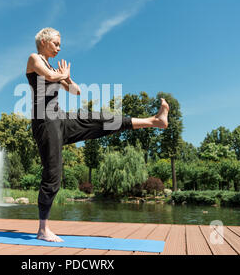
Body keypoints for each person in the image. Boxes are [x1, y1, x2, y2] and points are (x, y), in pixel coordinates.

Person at [26, 27, 170, 242]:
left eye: (59, 43)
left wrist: (68, 78)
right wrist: (61, 75)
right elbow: (48, 75)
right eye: (56, 43)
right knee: (53, 174)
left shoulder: (53, 67)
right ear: (44, 41)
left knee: (103, 119)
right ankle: (42, 229)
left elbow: (76, 92)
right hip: (45, 123)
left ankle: (154, 121)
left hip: (61, 118)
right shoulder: (34, 59)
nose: (59, 47)